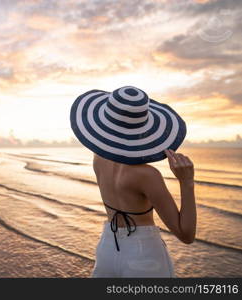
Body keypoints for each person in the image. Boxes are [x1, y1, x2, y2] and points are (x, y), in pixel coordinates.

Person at [69, 86, 197, 277]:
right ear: (145, 128)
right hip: (143, 254)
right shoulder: (147, 175)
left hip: (108, 247)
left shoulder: (98, 159)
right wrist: (186, 182)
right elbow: (186, 234)